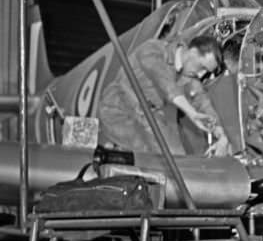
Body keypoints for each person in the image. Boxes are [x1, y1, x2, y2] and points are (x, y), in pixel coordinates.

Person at [97, 33, 230, 156]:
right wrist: (192, 113)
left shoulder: (189, 77)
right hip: (118, 110)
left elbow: (204, 103)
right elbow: (165, 82)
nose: (201, 75)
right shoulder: (153, 49)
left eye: (206, 72)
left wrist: (222, 136)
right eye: (202, 67)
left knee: (177, 156)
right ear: (192, 52)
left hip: (148, 116)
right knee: (164, 156)